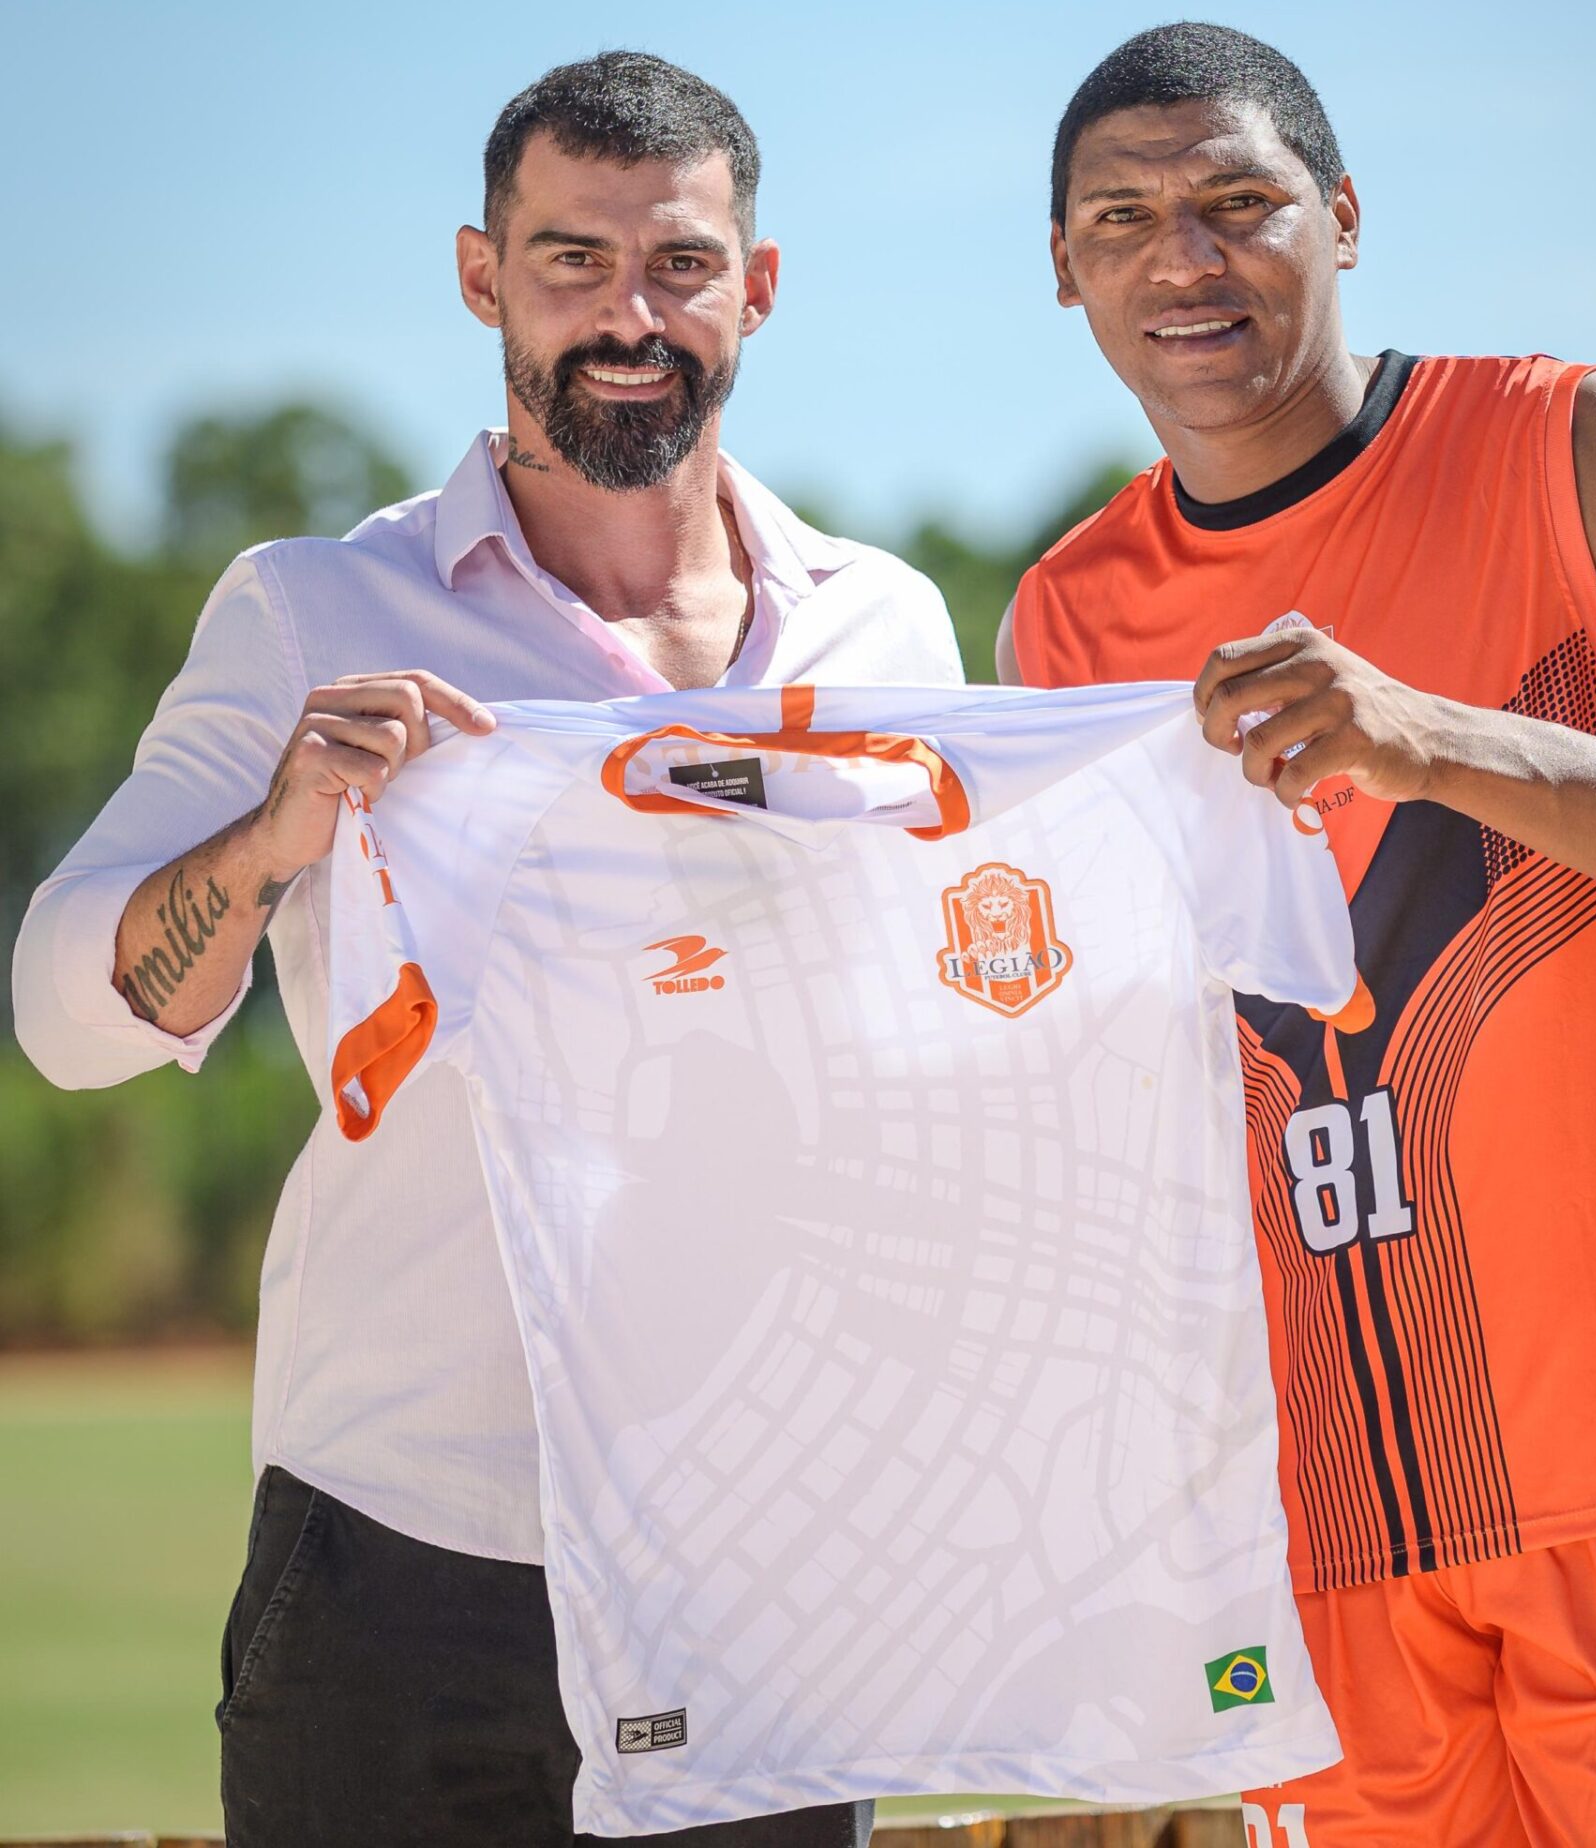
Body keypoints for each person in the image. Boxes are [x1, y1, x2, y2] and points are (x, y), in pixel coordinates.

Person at [12, 50, 959, 1848]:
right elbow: (66, 1018)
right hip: (397, 1557)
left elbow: (959, 1032)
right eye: (570, 261)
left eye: (679, 264)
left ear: (756, 287)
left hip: (755, 1560)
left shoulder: (888, 628)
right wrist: (281, 833)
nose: (630, 314)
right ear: (479, 276)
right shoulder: (309, 610)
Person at [1001, 23, 1596, 1848]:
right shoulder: (1063, 616)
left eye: (1240, 203)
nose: (1187, 256)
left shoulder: (1574, 442)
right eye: (1125, 220)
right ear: (1067, 271)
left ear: (1340, 216)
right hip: (1304, 1530)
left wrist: (1432, 739)